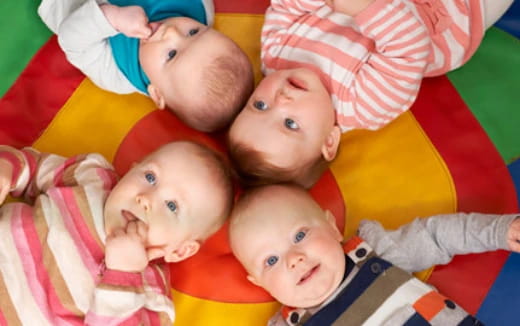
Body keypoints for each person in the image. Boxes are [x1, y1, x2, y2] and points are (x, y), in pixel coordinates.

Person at [227, 0, 514, 187]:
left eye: (260, 105)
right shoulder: (363, 105)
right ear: (329, 140)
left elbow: (287, 5)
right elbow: (408, 47)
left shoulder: (276, 54)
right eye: (290, 124)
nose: (280, 101)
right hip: (454, 12)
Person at [0, 140, 233, 324]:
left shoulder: (150, 296)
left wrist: (124, 274)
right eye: (150, 177)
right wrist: (8, 169)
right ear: (132, 170)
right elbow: (35, 166)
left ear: (181, 250)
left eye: (172, 206)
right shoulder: (93, 178)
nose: (146, 199)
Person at [229, 184, 520, 325]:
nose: (294, 258)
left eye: (300, 235)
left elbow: (436, 235)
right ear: (259, 283)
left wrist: (497, 231)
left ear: (332, 227)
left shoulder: (374, 251)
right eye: (271, 261)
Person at [38, 0, 254, 132]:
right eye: (193, 32)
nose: (172, 32)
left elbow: (72, 39)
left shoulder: (117, 73)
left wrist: (111, 18)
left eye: (171, 55)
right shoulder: (200, 8)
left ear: (156, 93)